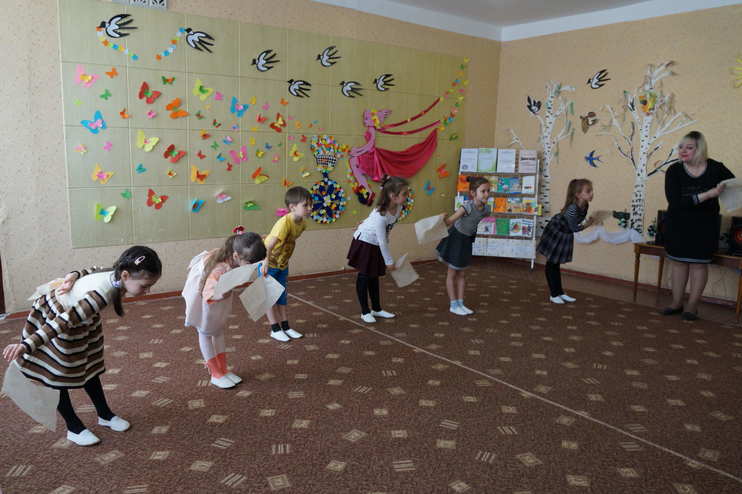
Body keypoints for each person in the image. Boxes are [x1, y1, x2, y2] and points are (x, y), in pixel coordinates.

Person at [2, 246, 162, 446]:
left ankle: (104, 414)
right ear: (125, 275)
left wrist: (74, 275)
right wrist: (27, 344)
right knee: (57, 374)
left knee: (90, 366)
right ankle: (73, 427)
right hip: (60, 319)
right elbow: (63, 321)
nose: (148, 291)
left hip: (83, 323)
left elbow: (90, 270)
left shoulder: (116, 272)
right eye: (145, 286)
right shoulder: (101, 295)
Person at [662, 131, 734, 320]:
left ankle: (692, 307)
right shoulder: (674, 170)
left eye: (689, 147)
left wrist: (724, 195)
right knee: (678, 264)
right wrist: (708, 194)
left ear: (700, 149)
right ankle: (676, 303)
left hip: (705, 226)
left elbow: (733, 186)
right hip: (678, 225)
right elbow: (676, 202)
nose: (683, 151)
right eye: (680, 147)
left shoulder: (716, 168)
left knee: (698, 266)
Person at [183, 231, 266, 389]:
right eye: (249, 263)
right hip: (209, 304)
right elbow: (209, 293)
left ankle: (223, 369)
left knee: (219, 331)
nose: (251, 266)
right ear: (236, 256)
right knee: (206, 333)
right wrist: (224, 291)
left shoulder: (236, 257)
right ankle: (215, 373)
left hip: (220, 302)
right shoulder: (218, 269)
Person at [347, 176, 409, 323]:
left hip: (376, 243)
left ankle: (376, 308)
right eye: (404, 193)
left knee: (373, 275)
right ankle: (365, 311)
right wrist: (389, 262)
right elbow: (382, 240)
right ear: (393, 196)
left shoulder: (398, 208)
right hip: (365, 242)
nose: (407, 196)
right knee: (364, 276)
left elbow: (384, 231)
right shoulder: (380, 215)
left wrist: (365, 222)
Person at [260, 187, 312, 342]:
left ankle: (285, 326)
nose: (310, 208)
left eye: (311, 205)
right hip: (268, 263)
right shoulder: (284, 223)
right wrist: (265, 263)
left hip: (282, 264)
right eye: (306, 205)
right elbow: (268, 246)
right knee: (270, 297)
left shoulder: (302, 224)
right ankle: (275, 329)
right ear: (292, 207)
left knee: (281, 296)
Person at [436, 176, 491, 315]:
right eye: (483, 191)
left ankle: (460, 303)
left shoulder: (486, 209)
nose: (486, 194)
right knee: (452, 273)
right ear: (473, 193)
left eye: (488, 191)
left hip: (466, 240)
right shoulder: (466, 207)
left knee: (462, 273)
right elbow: (449, 222)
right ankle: (453, 305)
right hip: (455, 239)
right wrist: (443, 218)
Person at [537, 179, 596, 304]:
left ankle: (559, 292)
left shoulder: (585, 205)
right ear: (578, 194)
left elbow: (576, 222)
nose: (592, 193)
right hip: (556, 231)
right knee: (551, 263)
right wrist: (588, 224)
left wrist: (587, 222)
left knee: (556, 263)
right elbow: (575, 228)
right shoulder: (572, 208)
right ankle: (554, 294)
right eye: (588, 191)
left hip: (564, 233)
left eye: (591, 190)